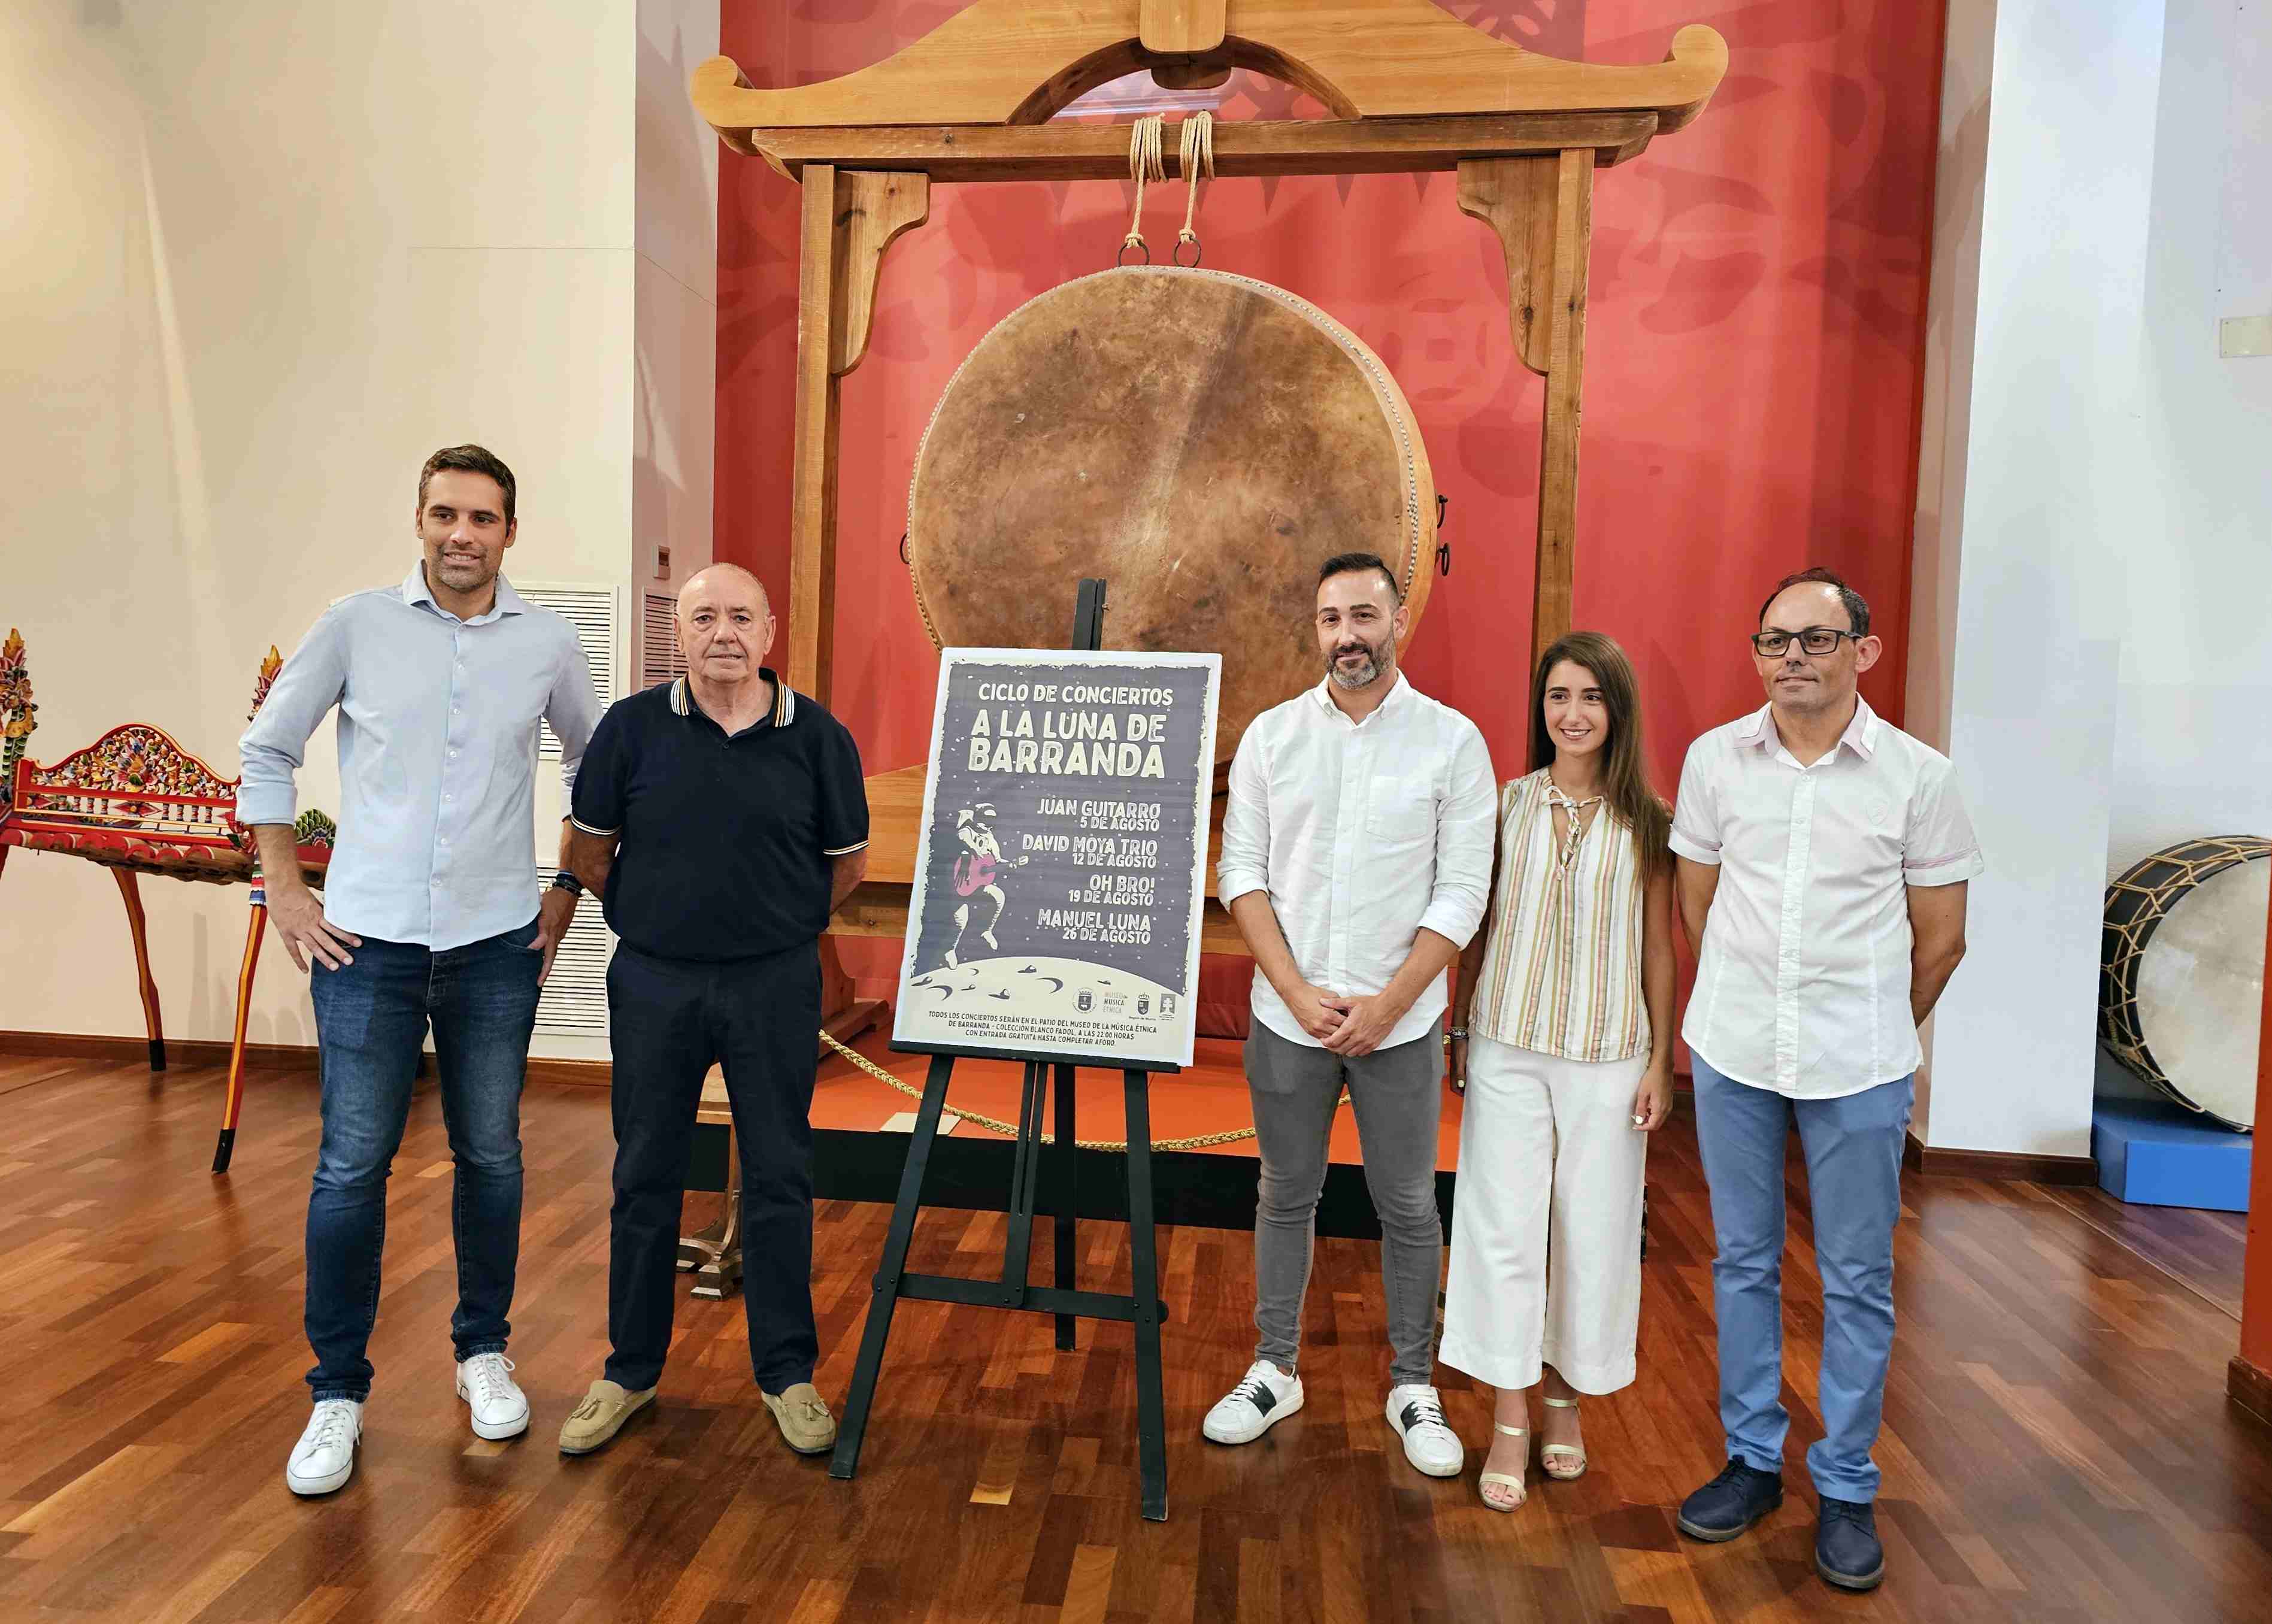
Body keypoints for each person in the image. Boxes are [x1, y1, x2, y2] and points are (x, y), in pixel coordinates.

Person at [238, 444, 601, 1496]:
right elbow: (268, 749)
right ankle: (336, 1394)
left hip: (496, 946)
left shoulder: (545, 643)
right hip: (365, 947)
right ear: (419, 520)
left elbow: (596, 768)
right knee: (352, 1166)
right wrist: (284, 890)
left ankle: (482, 1352)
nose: (461, 534)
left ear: (509, 533)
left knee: (491, 1154)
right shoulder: (356, 623)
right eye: (445, 514)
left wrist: (567, 891)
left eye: (482, 518)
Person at [1668, 567, 1979, 1593]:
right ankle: (1753, 1461)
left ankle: (1844, 1483)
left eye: (1813, 639)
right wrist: (1755, 1007)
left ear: (1864, 651)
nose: (1790, 658)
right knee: (1742, 1262)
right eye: (1771, 641)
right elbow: (1699, 908)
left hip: (1859, 1064)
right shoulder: (1718, 760)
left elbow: (1940, 942)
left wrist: (1873, 1025)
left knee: (1857, 1281)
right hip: (1736, 1052)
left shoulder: (1918, 778)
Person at [556, 563, 869, 1459]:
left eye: (740, 616)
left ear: (769, 633)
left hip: (773, 983)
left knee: (779, 1175)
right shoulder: (631, 730)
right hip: (655, 981)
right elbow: (588, 851)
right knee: (643, 1174)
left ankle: (787, 1373)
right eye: (704, 617)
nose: (722, 633)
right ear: (679, 635)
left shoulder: (818, 738)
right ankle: (629, 1372)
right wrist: (655, 916)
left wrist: (779, 922)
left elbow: (842, 867)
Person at [1207, 551, 1495, 1477]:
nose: (1347, 637)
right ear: (1316, 629)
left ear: (1396, 619)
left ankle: (1414, 1382)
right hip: (1288, 1016)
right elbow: (1239, 873)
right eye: (1331, 619)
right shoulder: (1271, 737)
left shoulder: (1452, 741)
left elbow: (1461, 892)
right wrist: (1295, 992)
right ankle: (1274, 1367)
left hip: (1400, 1023)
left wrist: (1389, 1003)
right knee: (1283, 1195)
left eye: (1363, 617)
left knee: (1407, 1204)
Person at [1441, 631, 1676, 1511]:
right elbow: (1478, 926)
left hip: (1610, 1055)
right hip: (1507, 1040)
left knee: (1594, 1232)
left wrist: (1659, 1057)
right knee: (1502, 1231)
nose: (1571, 714)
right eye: (1556, 697)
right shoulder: (1503, 807)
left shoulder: (1651, 820)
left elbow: (1660, 946)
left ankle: (1564, 1399)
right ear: (1540, 710)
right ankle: (1507, 1414)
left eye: (1589, 697)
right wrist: (1459, 1031)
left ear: (1616, 710)